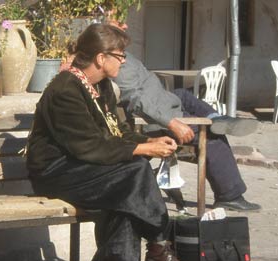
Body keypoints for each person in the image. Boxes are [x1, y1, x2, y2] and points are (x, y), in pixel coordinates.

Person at [26, 24, 200, 261]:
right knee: (133, 174)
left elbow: (115, 134)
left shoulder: (100, 86)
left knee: (127, 186)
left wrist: (151, 140)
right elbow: (90, 146)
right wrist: (144, 149)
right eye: (119, 55)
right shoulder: (65, 90)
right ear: (100, 58)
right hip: (56, 172)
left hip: (87, 168)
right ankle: (156, 250)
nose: (124, 61)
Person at [108, 22, 261, 212]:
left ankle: (218, 118)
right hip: (159, 118)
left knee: (183, 94)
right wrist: (172, 123)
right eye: (119, 23)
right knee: (213, 136)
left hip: (163, 100)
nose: (126, 24)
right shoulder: (117, 65)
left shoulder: (120, 55)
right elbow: (137, 101)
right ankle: (230, 195)